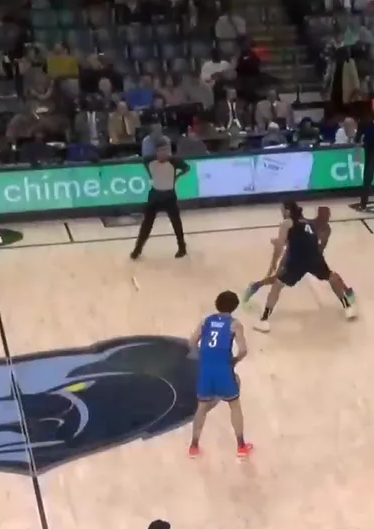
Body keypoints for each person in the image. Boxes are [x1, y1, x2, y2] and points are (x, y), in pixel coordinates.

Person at [255, 202, 357, 332]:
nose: (281, 213)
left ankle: (264, 320)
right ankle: (348, 307)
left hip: (297, 260)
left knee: (277, 285)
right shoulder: (308, 223)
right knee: (331, 276)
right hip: (314, 256)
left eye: (282, 210)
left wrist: (274, 262)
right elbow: (304, 239)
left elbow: (281, 245)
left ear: (287, 212)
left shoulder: (286, 223)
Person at [187, 291, 251, 457]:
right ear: (235, 306)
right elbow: (243, 350)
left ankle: (194, 446)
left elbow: (192, 342)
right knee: (234, 405)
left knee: (201, 408)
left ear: (217, 303)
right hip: (223, 369)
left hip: (206, 369)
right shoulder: (234, 324)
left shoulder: (205, 321)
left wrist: (202, 357)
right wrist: (235, 360)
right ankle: (241, 446)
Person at [130, 140, 190, 259]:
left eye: (165, 151)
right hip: (155, 195)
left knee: (176, 223)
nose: (163, 153)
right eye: (160, 151)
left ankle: (182, 247)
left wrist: (177, 177)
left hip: (169, 195)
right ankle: (138, 249)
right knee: (147, 224)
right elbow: (144, 163)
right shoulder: (149, 160)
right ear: (156, 152)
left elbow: (187, 168)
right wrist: (151, 175)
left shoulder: (174, 161)